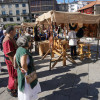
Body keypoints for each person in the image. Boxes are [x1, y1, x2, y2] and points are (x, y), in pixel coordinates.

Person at [15, 35, 41, 100]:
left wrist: (17, 67)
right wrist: (26, 71)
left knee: (24, 90)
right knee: (28, 91)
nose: (30, 42)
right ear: (25, 42)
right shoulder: (24, 51)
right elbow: (23, 64)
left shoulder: (19, 49)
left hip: (22, 73)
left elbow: (14, 57)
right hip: (26, 74)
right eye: (29, 41)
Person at [3, 26, 17, 97]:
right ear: (11, 31)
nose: (15, 32)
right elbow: (9, 53)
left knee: (13, 75)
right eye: (15, 31)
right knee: (13, 75)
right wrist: (14, 63)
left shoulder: (10, 38)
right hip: (10, 61)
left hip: (11, 60)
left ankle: (12, 88)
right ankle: (11, 89)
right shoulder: (7, 40)